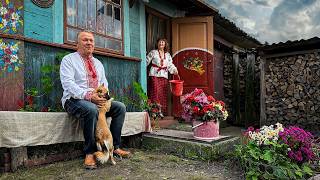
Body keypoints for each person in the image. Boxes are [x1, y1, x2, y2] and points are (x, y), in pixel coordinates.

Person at [60, 31, 130, 169]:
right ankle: (90, 152)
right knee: (91, 109)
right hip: (74, 100)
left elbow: (105, 85)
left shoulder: (98, 63)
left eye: (91, 41)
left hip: (97, 100)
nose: (89, 43)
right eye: (85, 40)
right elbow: (68, 84)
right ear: (77, 44)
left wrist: (103, 98)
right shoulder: (68, 60)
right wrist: (89, 96)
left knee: (120, 107)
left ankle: (114, 147)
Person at [146, 38, 178, 115]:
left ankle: (160, 112)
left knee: (162, 93)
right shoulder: (153, 52)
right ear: (157, 44)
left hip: (163, 75)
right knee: (155, 92)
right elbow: (146, 60)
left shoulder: (168, 55)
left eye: (163, 42)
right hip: (154, 74)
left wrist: (174, 70)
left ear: (165, 44)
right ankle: (153, 111)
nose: (161, 44)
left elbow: (170, 65)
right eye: (160, 42)